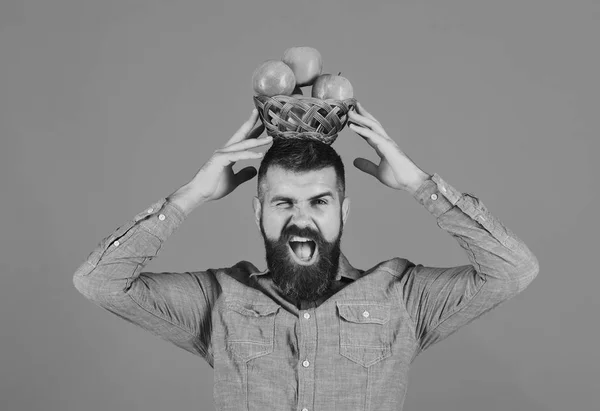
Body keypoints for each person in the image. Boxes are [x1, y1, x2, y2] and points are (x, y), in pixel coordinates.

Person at [73, 102, 539, 411]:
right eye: (283, 202)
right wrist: (189, 196)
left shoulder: (403, 297)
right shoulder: (220, 300)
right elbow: (100, 283)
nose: (302, 219)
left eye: (319, 201)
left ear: (343, 210)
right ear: (258, 211)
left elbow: (512, 270)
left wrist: (420, 184)